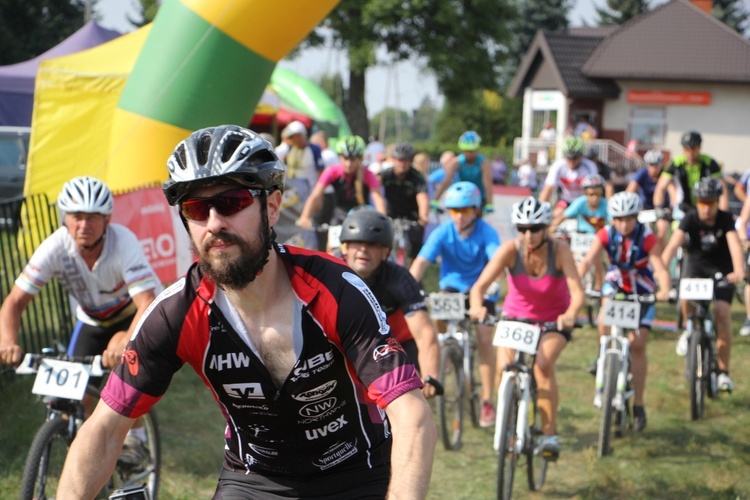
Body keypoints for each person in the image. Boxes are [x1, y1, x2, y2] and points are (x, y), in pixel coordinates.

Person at [56, 125, 436, 498]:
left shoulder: (337, 290)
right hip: (254, 480)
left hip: (357, 473)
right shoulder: (176, 313)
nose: (215, 223)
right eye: (196, 208)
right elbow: (104, 429)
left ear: (270, 207)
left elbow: (411, 414)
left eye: (232, 202)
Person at [0, 176, 162, 461]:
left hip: (133, 316)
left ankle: (136, 441)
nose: (84, 225)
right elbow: (14, 302)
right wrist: (8, 341)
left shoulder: (123, 241)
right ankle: (89, 455)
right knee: (72, 401)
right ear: (65, 217)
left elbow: (146, 302)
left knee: (128, 381)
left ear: (107, 219)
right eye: (76, 217)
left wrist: (125, 339)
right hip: (91, 320)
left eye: (92, 218)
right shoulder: (55, 246)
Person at [469, 197, 584, 460]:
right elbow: (479, 286)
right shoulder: (511, 249)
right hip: (515, 318)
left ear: (545, 228)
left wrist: (571, 313)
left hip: (554, 321)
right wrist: (477, 306)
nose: (528, 235)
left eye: (534, 228)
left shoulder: (560, 250)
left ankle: (549, 434)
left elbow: (577, 292)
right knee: (503, 371)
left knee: (542, 365)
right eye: (522, 229)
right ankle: (508, 427)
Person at [578, 192, 672, 431]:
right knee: (604, 317)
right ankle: (604, 357)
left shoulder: (647, 237)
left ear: (636, 217)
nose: (624, 224)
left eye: (629, 218)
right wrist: (576, 282)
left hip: (641, 287)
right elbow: (588, 260)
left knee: (638, 344)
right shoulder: (606, 234)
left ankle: (638, 405)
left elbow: (660, 267)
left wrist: (665, 289)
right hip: (617, 282)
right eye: (619, 218)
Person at [410, 181, 500, 427]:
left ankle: (488, 400)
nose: (459, 216)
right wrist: (407, 288)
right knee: (436, 314)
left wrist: (486, 291)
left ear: (476, 210)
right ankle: (444, 349)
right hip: (452, 288)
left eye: (465, 210)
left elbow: (496, 263)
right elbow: (420, 263)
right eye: (453, 211)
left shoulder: (487, 232)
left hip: (482, 289)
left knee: (483, 336)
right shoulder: (443, 231)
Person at [338, 209, 440, 398]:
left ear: (386, 252)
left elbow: (425, 333)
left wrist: (430, 376)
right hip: (345, 345)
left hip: (397, 345)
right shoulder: (329, 271)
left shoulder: (400, 278)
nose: (363, 250)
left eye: (372, 244)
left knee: (408, 394)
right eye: (356, 242)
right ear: (344, 247)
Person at [662, 178, 744, 393]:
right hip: (696, 268)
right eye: (702, 202)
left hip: (722, 271)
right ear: (696, 202)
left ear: (718, 202)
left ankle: (723, 372)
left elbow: (735, 246)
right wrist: (661, 268)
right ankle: (689, 331)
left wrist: (738, 271)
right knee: (686, 300)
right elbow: (672, 245)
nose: (706, 208)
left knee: (722, 312)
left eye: (711, 203)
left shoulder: (725, 220)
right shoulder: (690, 219)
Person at [297, 135, 387, 236]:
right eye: (345, 158)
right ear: (340, 157)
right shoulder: (332, 171)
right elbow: (316, 195)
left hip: (362, 217)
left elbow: (378, 199)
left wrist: (382, 222)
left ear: (360, 159)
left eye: (353, 159)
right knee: (331, 247)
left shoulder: (368, 174)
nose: (349, 164)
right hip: (339, 217)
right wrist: (305, 216)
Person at [551, 174, 609, 289]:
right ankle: (573, 286)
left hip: (598, 238)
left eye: (598, 194)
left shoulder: (606, 205)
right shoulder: (580, 202)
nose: (595, 198)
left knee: (597, 258)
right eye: (591, 194)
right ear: (585, 193)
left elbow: (613, 222)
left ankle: (599, 286)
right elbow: (563, 216)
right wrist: (552, 227)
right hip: (580, 237)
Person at [652, 130, 728, 218]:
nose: (690, 152)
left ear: (699, 147)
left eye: (694, 149)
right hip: (682, 209)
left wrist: (723, 213)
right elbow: (660, 188)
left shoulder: (710, 163)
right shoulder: (675, 163)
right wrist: (658, 208)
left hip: (705, 209)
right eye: (687, 149)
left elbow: (723, 190)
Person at [379, 141, 430, 263]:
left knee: (415, 245)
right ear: (393, 159)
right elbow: (373, 187)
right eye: (399, 160)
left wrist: (423, 216)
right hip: (391, 215)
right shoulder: (386, 174)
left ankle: (414, 275)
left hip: (412, 216)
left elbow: (422, 197)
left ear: (410, 161)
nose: (401, 163)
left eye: (405, 160)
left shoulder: (416, 178)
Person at [433, 131, 494, 213]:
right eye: (467, 151)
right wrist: (435, 200)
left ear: (477, 149)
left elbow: (487, 183)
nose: (469, 154)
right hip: (463, 196)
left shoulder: (483, 162)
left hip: (479, 197)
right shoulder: (457, 162)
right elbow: (446, 181)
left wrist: (489, 204)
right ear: (462, 150)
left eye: (472, 151)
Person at [538, 136, 599, 219]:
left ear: (581, 156)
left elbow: (595, 190)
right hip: (566, 201)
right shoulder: (558, 166)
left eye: (575, 158)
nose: (571, 161)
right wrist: (540, 211)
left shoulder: (590, 166)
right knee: (556, 215)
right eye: (568, 157)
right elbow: (547, 189)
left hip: (585, 202)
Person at [626, 148, 672, 244]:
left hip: (662, 210)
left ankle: (660, 254)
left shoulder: (665, 174)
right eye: (651, 165)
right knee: (642, 232)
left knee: (662, 231)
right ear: (647, 165)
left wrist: (671, 208)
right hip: (645, 209)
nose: (654, 168)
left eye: (657, 165)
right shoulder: (642, 173)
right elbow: (630, 190)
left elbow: (673, 191)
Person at [279, 120, 324, 203]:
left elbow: (320, 172)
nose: (293, 140)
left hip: (311, 191)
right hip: (293, 191)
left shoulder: (314, 149)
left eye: (295, 136)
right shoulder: (291, 149)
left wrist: (318, 193)